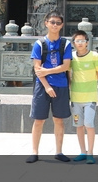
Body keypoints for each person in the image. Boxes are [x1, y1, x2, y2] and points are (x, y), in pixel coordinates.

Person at [27, 12, 72, 164]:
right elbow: (37, 69)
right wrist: (46, 85)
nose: (55, 25)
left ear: (62, 25)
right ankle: (34, 151)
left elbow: (66, 66)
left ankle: (59, 151)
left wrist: (48, 71)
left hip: (61, 85)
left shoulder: (65, 44)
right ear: (46, 23)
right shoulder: (39, 44)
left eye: (58, 23)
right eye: (52, 22)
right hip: (42, 86)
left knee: (59, 120)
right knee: (38, 120)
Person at [69, 30, 98, 164]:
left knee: (89, 124)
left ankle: (90, 152)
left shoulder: (94, 56)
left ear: (87, 43)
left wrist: (89, 82)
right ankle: (82, 151)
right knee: (78, 125)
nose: (80, 43)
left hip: (90, 97)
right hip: (75, 98)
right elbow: (68, 73)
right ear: (73, 43)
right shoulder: (71, 57)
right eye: (77, 41)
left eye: (82, 41)